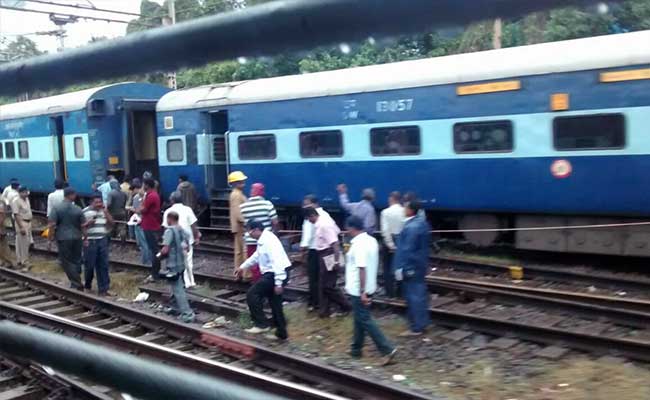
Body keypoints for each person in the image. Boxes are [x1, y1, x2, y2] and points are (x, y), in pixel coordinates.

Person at [345, 215, 397, 365]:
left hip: (359, 289)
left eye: (348, 228)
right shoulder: (371, 240)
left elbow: (362, 268)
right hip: (369, 286)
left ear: (352, 227)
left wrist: (362, 292)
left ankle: (387, 349)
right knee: (359, 318)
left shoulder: (358, 245)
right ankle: (356, 349)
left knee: (365, 320)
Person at [235, 220, 291, 340]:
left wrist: (278, 283)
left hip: (275, 273)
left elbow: (277, 262)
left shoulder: (269, 241)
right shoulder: (264, 240)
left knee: (252, 294)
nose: (248, 234)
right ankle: (281, 333)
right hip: (275, 273)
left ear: (256, 230)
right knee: (275, 303)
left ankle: (261, 324)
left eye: (249, 231)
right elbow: (256, 256)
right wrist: (242, 267)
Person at [393, 198, 431, 336]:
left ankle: (417, 327)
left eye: (405, 207)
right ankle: (421, 324)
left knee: (413, 296)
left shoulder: (411, 227)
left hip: (411, 267)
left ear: (410, 210)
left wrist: (401, 268)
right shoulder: (422, 223)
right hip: (419, 265)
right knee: (419, 295)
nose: (403, 209)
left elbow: (406, 250)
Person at [305, 207, 351, 318]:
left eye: (308, 219)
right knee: (323, 285)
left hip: (329, 255)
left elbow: (335, 244)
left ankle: (346, 306)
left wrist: (336, 261)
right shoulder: (320, 224)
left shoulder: (324, 225)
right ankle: (324, 311)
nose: (309, 221)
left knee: (328, 286)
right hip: (324, 255)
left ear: (312, 216)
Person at [160, 211, 195, 323]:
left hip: (172, 263)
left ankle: (187, 313)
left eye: (167, 219)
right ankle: (175, 308)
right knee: (178, 285)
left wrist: (159, 256)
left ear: (170, 219)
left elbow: (166, 248)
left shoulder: (169, 231)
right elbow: (188, 244)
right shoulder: (181, 230)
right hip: (181, 263)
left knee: (178, 288)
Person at [48, 187, 85, 290]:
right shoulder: (77, 208)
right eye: (74, 194)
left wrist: (49, 239)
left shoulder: (56, 208)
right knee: (77, 260)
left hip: (63, 238)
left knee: (67, 261)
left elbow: (52, 225)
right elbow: (83, 225)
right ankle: (76, 281)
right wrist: (85, 237)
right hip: (77, 237)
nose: (76, 196)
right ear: (70, 195)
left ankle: (76, 282)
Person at [240, 183, 279, 282]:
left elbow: (245, 224)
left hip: (250, 239)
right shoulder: (268, 204)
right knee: (267, 265)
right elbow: (275, 222)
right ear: (262, 192)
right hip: (266, 240)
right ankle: (264, 285)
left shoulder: (243, 207)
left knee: (254, 266)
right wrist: (274, 234)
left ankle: (257, 283)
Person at [299, 194, 331, 311]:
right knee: (325, 278)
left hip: (314, 250)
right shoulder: (326, 214)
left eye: (306, 203)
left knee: (313, 278)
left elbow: (307, 236)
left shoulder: (309, 216)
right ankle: (324, 302)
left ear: (313, 203)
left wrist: (302, 250)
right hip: (327, 249)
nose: (304, 206)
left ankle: (314, 303)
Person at [163, 192, 201, 289]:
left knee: (175, 262)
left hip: (173, 243)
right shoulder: (188, 209)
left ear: (172, 200)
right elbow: (193, 225)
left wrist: (166, 241)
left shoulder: (168, 211)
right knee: (188, 262)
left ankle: (181, 282)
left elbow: (166, 228)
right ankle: (191, 282)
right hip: (186, 241)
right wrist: (196, 237)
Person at [82, 193, 114, 295]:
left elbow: (112, 223)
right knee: (89, 265)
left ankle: (104, 289)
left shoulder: (103, 211)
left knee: (103, 265)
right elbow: (80, 227)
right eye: (97, 202)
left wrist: (106, 212)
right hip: (90, 241)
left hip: (102, 239)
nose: (99, 204)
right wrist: (88, 224)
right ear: (91, 202)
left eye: (100, 202)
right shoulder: (85, 212)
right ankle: (87, 285)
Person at [380, 191, 405, 298]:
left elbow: (385, 230)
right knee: (400, 268)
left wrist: (390, 244)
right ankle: (401, 292)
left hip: (390, 240)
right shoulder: (404, 211)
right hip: (402, 240)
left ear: (391, 199)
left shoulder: (385, 212)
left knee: (388, 268)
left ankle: (390, 293)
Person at [138, 178, 162, 282]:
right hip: (151, 224)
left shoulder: (151, 196)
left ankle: (155, 274)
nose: (143, 186)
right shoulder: (153, 195)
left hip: (150, 225)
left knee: (154, 250)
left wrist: (138, 208)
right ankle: (155, 272)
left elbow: (143, 209)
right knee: (154, 249)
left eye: (144, 184)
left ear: (147, 185)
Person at [228, 171, 247, 275]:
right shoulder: (236, 195)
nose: (243, 183)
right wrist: (246, 221)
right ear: (235, 183)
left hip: (238, 226)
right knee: (243, 250)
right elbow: (237, 212)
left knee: (239, 250)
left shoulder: (237, 194)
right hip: (240, 226)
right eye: (240, 181)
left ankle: (239, 272)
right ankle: (244, 273)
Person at [11, 186, 32, 269]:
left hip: (28, 222)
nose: (27, 193)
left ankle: (20, 260)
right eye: (25, 192)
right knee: (24, 243)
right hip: (22, 223)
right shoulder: (16, 201)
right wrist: (21, 227)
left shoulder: (27, 199)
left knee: (22, 242)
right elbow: (16, 215)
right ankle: (25, 261)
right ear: (21, 193)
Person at [0, 197, 15, 268]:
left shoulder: (1, 202)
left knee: (3, 245)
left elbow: (2, 216)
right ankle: (4, 261)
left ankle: (8, 262)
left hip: (0, 227)